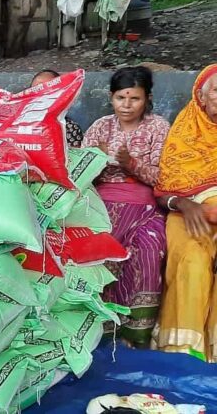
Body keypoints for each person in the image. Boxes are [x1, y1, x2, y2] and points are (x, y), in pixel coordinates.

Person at [81, 66, 170, 348]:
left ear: (148, 99)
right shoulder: (100, 127)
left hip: (144, 205)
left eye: (135, 99)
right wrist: (98, 160)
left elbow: (164, 178)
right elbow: (79, 174)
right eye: (121, 98)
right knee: (100, 247)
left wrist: (132, 164)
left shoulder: (158, 127)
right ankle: (100, 331)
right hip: (101, 203)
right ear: (111, 97)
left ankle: (136, 333)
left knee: (147, 249)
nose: (127, 105)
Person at [153, 64, 217, 361]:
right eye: (216, 90)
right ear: (201, 97)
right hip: (187, 212)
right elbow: (164, 189)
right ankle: (184, 356)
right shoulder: (185, 128)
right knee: (193, 261)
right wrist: (184, 203)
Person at [31, 69, 84, 147]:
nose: (41, 94)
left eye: (48, 90)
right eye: (36, 89)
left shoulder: (69, 128)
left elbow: (73, 157)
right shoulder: (14, 123)